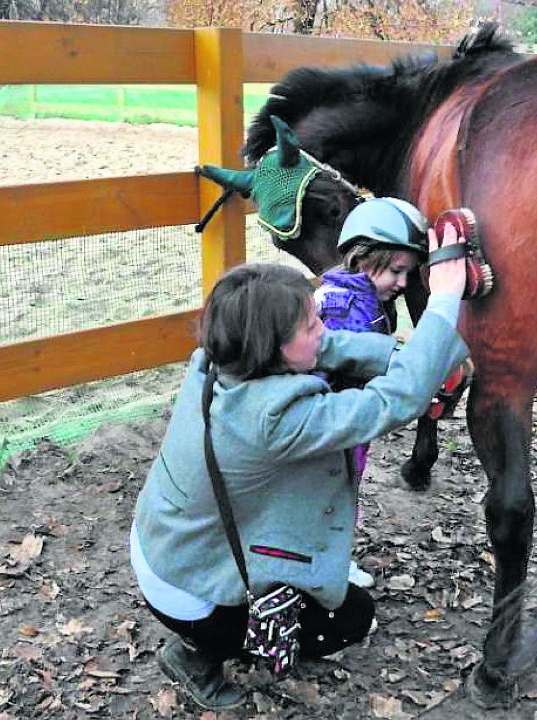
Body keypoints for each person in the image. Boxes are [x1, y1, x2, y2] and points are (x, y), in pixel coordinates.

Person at [129, 223, 469, 711]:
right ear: (276, 347)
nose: (322, 329)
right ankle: (197, 652)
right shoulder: (275, 419)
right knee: (350, 621)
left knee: (336, 599)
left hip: (164, 544)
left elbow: (330, 346)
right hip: (186, 586)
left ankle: (214, 630)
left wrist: (406, 355)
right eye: (309, 325)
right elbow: (395, 402)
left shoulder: (215, 358)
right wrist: (444, 302)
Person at [314, 197, 429, 589]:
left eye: (407, 273)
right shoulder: (346, 307)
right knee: (333, 494)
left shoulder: (362, 298)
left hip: (346, 421)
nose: (402, 283)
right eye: (396, 271)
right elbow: (356, 361)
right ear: (363, 258)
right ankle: (328, 568)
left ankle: (330, 559)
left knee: (342, 489)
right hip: (336, 424)